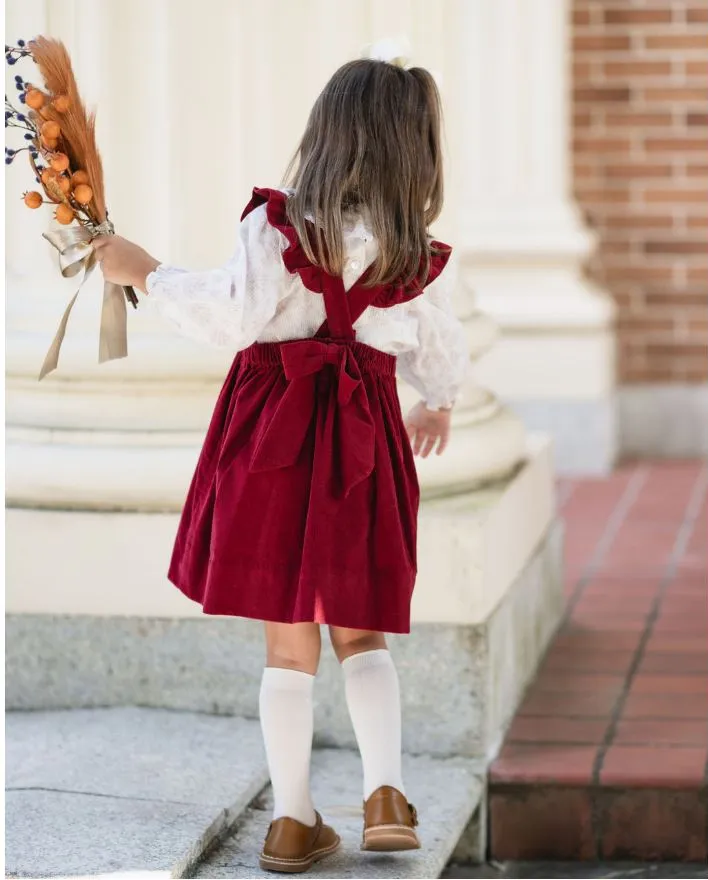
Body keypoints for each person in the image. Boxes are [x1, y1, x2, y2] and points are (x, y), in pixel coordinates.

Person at [94, 52, 469, 875]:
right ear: (417, 151)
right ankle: (384, 797)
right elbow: (440, 344)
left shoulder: (276, 226)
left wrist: (145, 272)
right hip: (364, 443)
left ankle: (294, 820)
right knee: (360, 626)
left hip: (273, 440)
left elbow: (233, 315)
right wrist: (435, 402)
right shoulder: (419, 256)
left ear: (327, 134)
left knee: (287, 640)